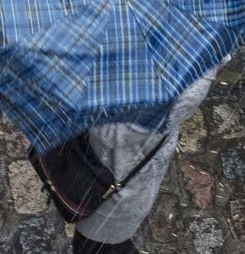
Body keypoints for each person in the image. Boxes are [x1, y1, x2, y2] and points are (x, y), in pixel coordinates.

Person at [75, 65, 221, 254]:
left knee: (102, 241)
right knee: (100, 243)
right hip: (109, 174)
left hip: (120, 177)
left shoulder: (186, 74)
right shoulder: (191, 57)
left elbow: (114, 133)